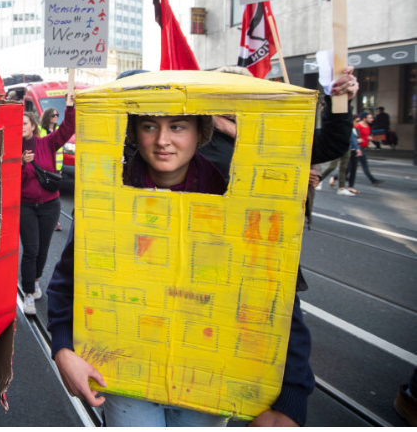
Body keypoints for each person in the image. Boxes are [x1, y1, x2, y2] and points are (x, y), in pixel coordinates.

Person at [48, 68, 359, 427]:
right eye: (150, 125)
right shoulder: (104, 201)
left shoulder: (231, 203)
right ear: (135, 132)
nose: (163, 140)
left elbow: (275, 298)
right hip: (125, 376)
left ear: (200, 134)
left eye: (178, 126)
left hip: (208, 381)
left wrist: (291, 400)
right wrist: (62, 348)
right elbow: (69, 280)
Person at [19, 98, 75, 315]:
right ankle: (28, 293)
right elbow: (11, 179)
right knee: (31, 250)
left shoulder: (47, 143)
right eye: (19, 124)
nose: (22, 127)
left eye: (25, 123)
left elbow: (67, 129)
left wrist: (70, 107)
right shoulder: (12, 149)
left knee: (43, 250)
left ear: (33, 126)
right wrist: (22, 163)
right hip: (26, 206)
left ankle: (34, 281)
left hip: (50, 205)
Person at [39, 106, 64, 231]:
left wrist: (60, 168)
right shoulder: (40, 130)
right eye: (53, 115)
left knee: (54, 195)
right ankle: (42, 217)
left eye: (57, 115)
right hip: (43, 167)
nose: (56, 117)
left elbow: (61, 152)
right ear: (48, 116)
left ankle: (55, 221)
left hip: (56, 168)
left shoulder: (59, 130)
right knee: (42, 192)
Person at [346, 112, 384, 192]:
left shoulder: (368, 127)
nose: (372, 119)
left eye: (372, 118)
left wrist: (375, 138)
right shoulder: (358, 126)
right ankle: (373, 180)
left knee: (350, 167)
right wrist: (357, 145)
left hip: (361, 147)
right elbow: (352, 137)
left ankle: (337, 178)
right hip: (357, 148)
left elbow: (367, 137)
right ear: (364, 119)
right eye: (370, 118)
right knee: (362, 166)